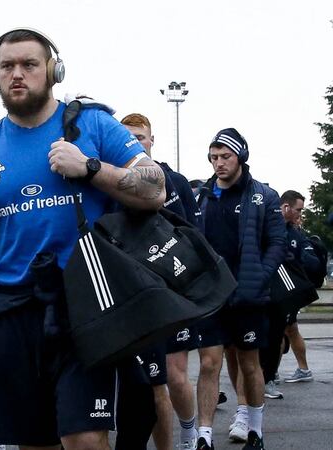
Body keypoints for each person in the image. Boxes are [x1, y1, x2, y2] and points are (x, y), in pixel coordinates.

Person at [0, 28, 165, 449]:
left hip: (85, 305)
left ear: (53, 71)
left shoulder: (92, 124)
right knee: (32, 442)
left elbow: (155, 188)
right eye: (7, 66)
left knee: (86, 439)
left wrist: (91, 168)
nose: (17, 74)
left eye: (29, 65)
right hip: (11, 312)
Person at [194, 128, 284, 450]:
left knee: (249, 364)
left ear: (241, 156)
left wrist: (260, 275)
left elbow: (277, 242)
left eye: (225, 157)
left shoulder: (264, 195)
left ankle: (255, 432)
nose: (218, 163)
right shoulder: (202, 195)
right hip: (212, 297)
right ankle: (203, 437)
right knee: (208, 364)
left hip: (247, 296)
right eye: (214, 157)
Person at [121, 113, 202, 450]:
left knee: (175, 374)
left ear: (152, 141)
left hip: (174, 294)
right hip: (137, 298)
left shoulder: (175, 181)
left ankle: (190, 434)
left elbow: (194, 236)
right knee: (153, 385)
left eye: (141, 137)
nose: (136, 143)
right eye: (129, 138)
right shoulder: (114, 182)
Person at [277, 190, 319, 383]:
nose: (300, 215)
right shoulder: (273, 227)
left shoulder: (294, 232)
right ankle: (276, 372)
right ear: (286, 207)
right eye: (298, 210)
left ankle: (274, 373)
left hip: (287, 289)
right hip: (279, 287)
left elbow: (310, 261)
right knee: (288, 330)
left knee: (285, 329)